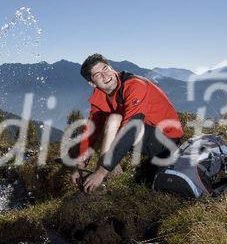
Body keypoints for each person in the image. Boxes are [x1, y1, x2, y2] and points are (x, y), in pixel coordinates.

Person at [71, 54, 184, 193]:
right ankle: (113, 173)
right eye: (98, 75)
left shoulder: (135, 85)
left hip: (166, 140)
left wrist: (101, 172)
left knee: (113, 120)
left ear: (111, 67)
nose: (106, 76)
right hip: (144, 136)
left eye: (106, 68)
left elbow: (132, 129)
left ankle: (104, 173)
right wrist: (80, 165)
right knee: (101, 126)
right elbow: (92, 129)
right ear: (92, 83)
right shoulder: (100, 94)